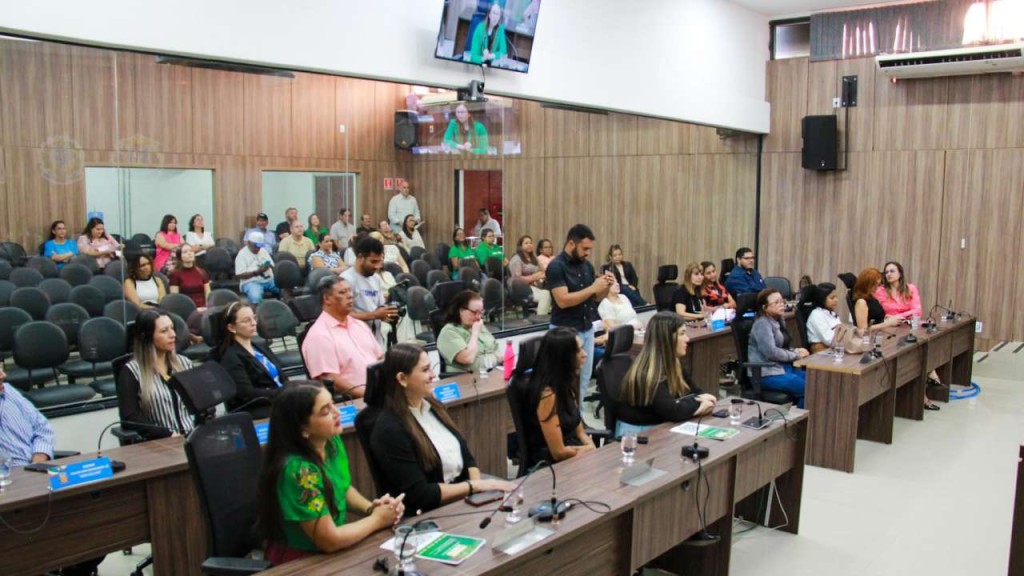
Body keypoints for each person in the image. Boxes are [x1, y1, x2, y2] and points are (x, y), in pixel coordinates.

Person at [256, 382, 403, 565]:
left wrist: (373, 508)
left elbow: (341, 487)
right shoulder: (299, 471)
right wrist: (377, 519)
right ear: (302, 428)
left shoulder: (330, 441)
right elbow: (329, 541)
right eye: (325, 411)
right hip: (301, 562)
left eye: (333, 404)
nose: (337, 412)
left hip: (331, 552)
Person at [370, 343, 515, 516]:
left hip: (461, 497)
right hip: (428, 513)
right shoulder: (389, 429)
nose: (433, 375)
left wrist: (478, 492)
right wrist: (475, 486)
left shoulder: (433, 406)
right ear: (402, 379)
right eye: (425, 370)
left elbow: (467, 457)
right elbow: (420, 495)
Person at [0, 365, 106, 576]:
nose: (3, 374)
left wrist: (37, 461)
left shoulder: (8, 392)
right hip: (9, 491)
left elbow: (43, 428)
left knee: (94, 521)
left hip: (37, 473)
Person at [617, 312, 717, 436]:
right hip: (638, 436)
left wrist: (691, 403)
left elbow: (698, 393)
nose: (687, 339)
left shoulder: (673, 364)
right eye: (682, 334)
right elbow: (673, 412)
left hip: (661, 428)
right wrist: (698, 405)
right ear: (666, 338)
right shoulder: (649, 372)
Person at [547, 224, 615, 402]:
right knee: (564, 382)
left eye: (589, 249)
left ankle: (579, 415)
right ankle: (565, 417)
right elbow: (562, 300)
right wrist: (593, 287)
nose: (587, 253)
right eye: (584, 248)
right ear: (571, 243)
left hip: (586, 329)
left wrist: (605, 287)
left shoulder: (587, 267)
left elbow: (595, 298)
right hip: (565, 333)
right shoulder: (556, 266)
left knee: (584, 381)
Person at [301, 276, 383, 400]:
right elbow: (330, 379)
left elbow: (380, 358)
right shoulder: (319, 336)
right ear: (327, 299)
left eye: (350, 291)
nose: (350, 296)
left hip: (381, 392)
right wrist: (369, 396)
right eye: (342, 292)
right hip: (354, 399)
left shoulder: (359, 325)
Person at [117, 309, 196, 439]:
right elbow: (129, 417)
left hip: (193, 436)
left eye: (172, 328)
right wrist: (167, 435)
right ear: (145, 336)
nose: (173, 334)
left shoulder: (184, 363)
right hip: (161, 441)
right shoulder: (132, 371)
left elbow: (201, 403)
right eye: (164, 331)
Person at [524, 328, 597, 467]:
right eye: (578, 351)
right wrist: (588, 450)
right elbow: (558, 453)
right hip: (553, 466)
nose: (585, 354)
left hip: (575, 455)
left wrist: (591, 448)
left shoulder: (566, 384)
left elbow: (580, 432)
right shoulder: (546, 395)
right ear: (563, 357)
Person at [214, 302, 287, 419]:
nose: (254, 323)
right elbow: (247, 394)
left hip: (279, 399)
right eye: (246, 320)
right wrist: (283, 394)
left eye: (254, 318)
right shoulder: (230, 357)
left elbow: (282, 377)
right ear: (231, 328)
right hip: (259, 407)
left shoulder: (260, 347)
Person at [748, 288, 808, 408]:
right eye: (776, 302)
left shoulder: (778, 320)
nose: (782, 304)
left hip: (782, 368)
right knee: (807, 388)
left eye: (782, 301)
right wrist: (796, 355)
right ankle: (801, 419)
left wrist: (796, 350)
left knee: (814, 380)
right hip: (766, 373)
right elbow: (771, 352)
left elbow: (781, 346)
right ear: (765, 307)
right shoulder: (762, 324)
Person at [341, 236, 399, 336]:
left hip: (375, 335)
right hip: (355, 336)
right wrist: (374, 315)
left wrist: (388, 313)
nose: (377, 266)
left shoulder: (376, 278)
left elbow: (380, 307)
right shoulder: (346, 280)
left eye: (379, 261)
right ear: (360, 257)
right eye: (373, 262)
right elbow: (343, 315)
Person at [436, 290, 499, 373]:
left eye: (481, 312)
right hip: (466, 378)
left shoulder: (478, 325)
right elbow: (468, 358)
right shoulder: (448, 332)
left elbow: (498, 352)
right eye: (474, 312)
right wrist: (475, 333)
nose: (478, 317)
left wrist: (492, 359)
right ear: (461, 310)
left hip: (490, 374)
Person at [508, 235, 551, 315]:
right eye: (526, 243)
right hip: (520, 288)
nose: (529, 245)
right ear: (520, 246)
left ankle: (543, 317)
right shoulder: (516, 259)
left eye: (530, 243)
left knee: (549, 292)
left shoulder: (534, 258)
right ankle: (540, 319)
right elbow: (517, 280)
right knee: (545, 295)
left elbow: (543, 271)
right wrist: (534, 277)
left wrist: (539, 275)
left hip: (534, 286)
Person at [235, 231, 280, 305]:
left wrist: (267, 266)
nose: (258, 248)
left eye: (260, 246)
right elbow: (239, 275)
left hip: (269, 279)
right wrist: (257, 272)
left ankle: (285, 308)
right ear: (249, 243)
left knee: (284, 288)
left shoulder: (263, 251)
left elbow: (272, 265)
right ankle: (256, 311)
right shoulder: (242, 254)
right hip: (251, 282)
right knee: (255, 297)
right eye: (255, 246)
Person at [852, 267, 900, 334]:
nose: (877, 287)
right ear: (867, 284)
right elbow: (863, 330)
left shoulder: (871, 297)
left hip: (880, 333)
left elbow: (875, 315)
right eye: (875, 285)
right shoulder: (861, 302)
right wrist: (888, 323)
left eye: (878, 284)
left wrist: (886, 317)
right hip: (871, 337)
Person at [168, 244, 210, 309]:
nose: (189, 253)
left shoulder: (202, 272)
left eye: (191, 251)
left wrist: (207, 308)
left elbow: (208, 294)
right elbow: (175, 298)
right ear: (180, 256)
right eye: (185, 252)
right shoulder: (175, 274)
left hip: (203, 308)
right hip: (186, 309)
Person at [805, 282, 841, 354]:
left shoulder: (832, 313)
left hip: (833, 349)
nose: (835, 300)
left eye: (836, 297)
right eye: (832, 298)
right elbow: (829, 340)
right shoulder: (816, 315)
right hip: (821, 352)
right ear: (822, 299)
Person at [468, 1, 507, 65]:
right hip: (478, 64)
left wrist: (492, 56)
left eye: (497, 14)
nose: (495, 16)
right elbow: (473, 56)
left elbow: (503, 52)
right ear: (489, 15)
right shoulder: (480, 28)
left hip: (491, 66)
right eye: (493, 13)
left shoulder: (500, 29)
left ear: (499, 17)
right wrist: (483, 58)